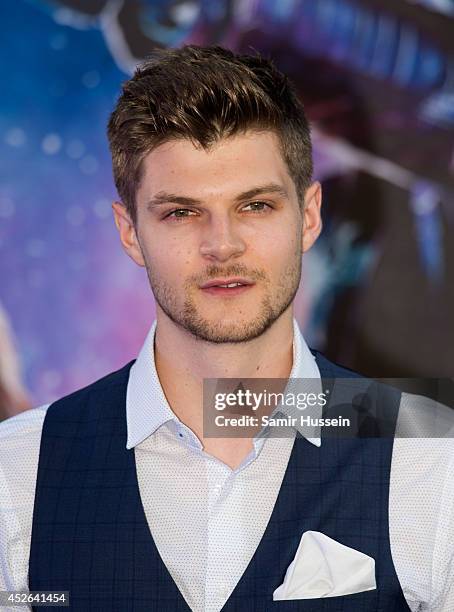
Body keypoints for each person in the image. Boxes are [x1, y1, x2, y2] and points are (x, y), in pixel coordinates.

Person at [0, 45, 453, 612]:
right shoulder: (16, 472)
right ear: (130, 231)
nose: (223, 245)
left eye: (256, 206)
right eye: (181, 213)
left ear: (308, 215)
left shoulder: (431, 461)